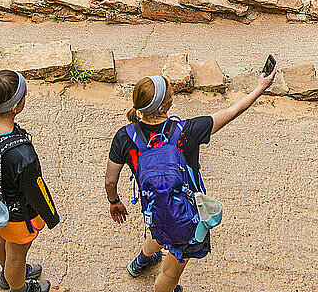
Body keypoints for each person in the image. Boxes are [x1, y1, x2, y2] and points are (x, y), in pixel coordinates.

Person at [105, 69, 276, 292]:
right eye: (170, 90)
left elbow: (110, 180)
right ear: (163, 107)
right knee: (169, 273)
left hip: (154, 208)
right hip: (184, 215)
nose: (173, 89)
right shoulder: (187, 131)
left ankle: (142, 261)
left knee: (159, 226)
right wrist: (260, 87)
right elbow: (235, 110)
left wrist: (114, 201)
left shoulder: (125, 136)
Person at [0, 71, 59, 292]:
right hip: (16, 213)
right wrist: (51, 216)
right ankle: (18, 286)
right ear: (16, 106)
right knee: (17, 253)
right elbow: (36, 190)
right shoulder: (22, 153)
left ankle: (7, 272)